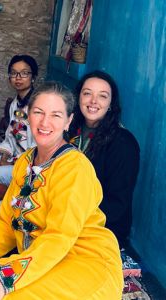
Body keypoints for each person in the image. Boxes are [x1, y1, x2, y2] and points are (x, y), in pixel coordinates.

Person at [0, 82, 123, 299]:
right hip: (41, 258)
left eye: (56, 115)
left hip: (82, 260)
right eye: (38, 112)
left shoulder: (75, 168)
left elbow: (59, 238)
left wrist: (5, 279)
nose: (45, 122)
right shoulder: (25, 162)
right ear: (28, 116)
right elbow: (7, 224)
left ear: (68, 121)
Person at [68, 70, 140, 247]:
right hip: (66, 217)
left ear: (110, 104)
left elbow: (116, 205)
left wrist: (72, 217)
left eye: (102, 96)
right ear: (79, 98)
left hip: (101, 229)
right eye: (87, 94)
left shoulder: (123, 144)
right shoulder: (69, 131)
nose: (93, 101)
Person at [0, 55, 38, 185]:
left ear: (33, 77)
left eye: (24, 73)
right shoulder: (15, 104)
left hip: (30, 166)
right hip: (13, 159)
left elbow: (37, 149)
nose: (18, 77)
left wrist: (9, 163)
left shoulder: (37, 106)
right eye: (13, 73)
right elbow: (10, 137)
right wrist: (4, 158)